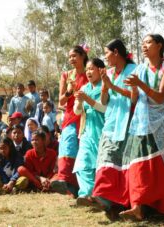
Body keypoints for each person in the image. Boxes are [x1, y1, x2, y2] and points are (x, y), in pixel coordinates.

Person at [120, 34, 164, 220]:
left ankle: (161, 207)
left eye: (149, 42)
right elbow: (135, 99)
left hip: (163, 123)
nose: (144, 45)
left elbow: (160, 97)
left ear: (159, 46)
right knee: (139, 165)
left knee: (162, 165)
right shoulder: (141, 68)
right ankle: (138, 206)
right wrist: (132, 89)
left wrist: (139, 84)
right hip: (141, 123)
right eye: (143, 42)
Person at [89, 39, 137, 219]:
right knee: (105, 158)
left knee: (122, 164)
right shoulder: (108, 72)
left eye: (107, 53)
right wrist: (105, 88)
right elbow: (104, 101)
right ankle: (104, 197)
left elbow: (134, 98)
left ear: (116, 52)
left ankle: (119, 202)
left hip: (127, 123)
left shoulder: (134, 70)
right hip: (110, 123)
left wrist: (111, 86)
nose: (105, 57)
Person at [54, 45, 89, 197]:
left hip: (88, 117)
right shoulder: (66, 75)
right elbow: (61, 101)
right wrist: (69, 91)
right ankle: (66, 183)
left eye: (74, 56)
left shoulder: (91, 72)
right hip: (70, 118)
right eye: (69, 57)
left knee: (85, 152)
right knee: (68, 148)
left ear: (83, 56)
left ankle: (84, 188)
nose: (71, 59)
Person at [72, 58, 106, 204]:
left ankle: (100, 195)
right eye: (87, 69)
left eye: (92, 68)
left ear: (101, 70)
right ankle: (86, 193)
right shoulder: (84, 88)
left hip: (103, 130)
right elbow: (77, 112)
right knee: (82, 163)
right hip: (87, 131)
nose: (88, 72)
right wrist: (79, 101)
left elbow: (104, 108)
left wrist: (88, 99)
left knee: (100, 164)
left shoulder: (106, 87)